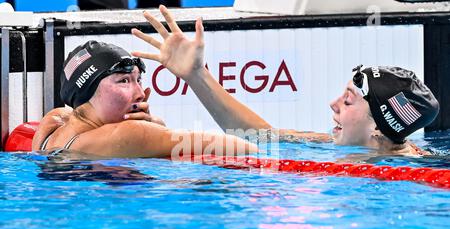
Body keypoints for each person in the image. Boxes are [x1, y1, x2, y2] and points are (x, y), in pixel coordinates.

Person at [130, 5, 440, 156]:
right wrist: (197, 76)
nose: (332, 104)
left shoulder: (416, 175)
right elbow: (260, 135)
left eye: (348, 101)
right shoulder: (360, 143)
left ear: (378, 129)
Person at [31, 41, 257, 158]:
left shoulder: (53, 122)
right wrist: (149, 129)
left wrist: (149, 126)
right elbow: (246, 148)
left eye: (138, 80)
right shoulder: (129, 133)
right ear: (88, 91)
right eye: (124, 81)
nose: (140, 92)